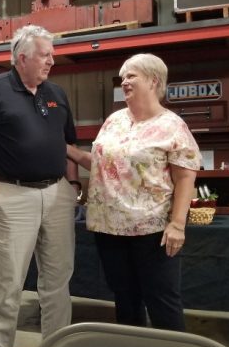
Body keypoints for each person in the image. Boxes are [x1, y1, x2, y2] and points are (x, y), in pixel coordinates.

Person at [0, 24, 80, 347]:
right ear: (22, 58)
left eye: (52, 55)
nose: (51, 61)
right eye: (45, 55)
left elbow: (65, 143)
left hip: (57, 195)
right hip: (12, 195)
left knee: (57, 282)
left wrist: (72, 184)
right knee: (6, 283)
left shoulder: (56, 94)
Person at [68, 53, 200, 331]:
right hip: (109, 228)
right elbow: (103, 165)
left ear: (153, 81)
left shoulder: (171, 125)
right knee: (124, 298)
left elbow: (186, 175)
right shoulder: (114, 120)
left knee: (162, 300)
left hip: (151, 230)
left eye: (131, 75)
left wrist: (177, 224)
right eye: (123, 76)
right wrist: (69, 152)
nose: (124, 81)